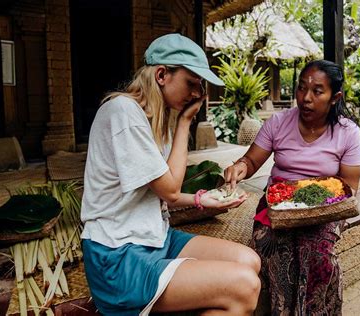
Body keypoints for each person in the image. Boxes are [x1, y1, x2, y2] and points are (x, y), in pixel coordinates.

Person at [80, 33, 261, 316]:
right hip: (118, 257)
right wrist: (185, 121)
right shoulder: (122, 112)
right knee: (245, 286)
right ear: (162, 74)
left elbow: (162, 195)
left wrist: (203, 199)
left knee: (249, 260)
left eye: (199, 87)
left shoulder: (154, 118)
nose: (197, 94)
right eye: (191, 83)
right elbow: (171, 189)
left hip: (155, 239)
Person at [224, 60, 360, 315]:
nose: (306, 98)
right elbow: (252, 160)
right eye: (301, 88)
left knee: (317, 255)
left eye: (317, 91)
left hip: (326, 205)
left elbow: (349, 187)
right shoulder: (278, 123)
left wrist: (316, 204)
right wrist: (239, 167)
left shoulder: (347, 133)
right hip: (278, 202)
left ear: (335, 97)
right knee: (272, 248)